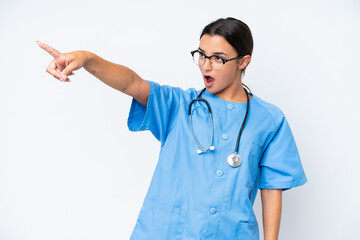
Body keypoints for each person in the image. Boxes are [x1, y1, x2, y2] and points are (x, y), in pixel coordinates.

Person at [37, 17, 307, 240]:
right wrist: (86, 59)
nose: (205, 65)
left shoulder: (269, 120)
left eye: (217, 58)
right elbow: (132, 83)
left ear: (243, 61)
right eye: (201, 55)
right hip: (164, 232)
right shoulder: (179, 105)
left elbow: (272, 188)